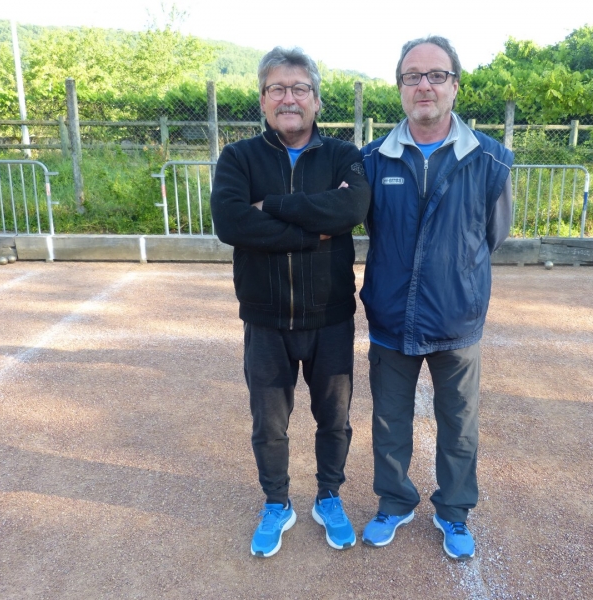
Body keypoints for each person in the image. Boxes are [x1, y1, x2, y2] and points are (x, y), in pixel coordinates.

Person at [210, 46, 370, 558]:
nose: (289, 98)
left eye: (300, 88)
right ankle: (277, 503)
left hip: (331, 319)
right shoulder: (239, 158)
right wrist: (314, 230)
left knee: (335, 419)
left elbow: (351, 208)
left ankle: (328, 497)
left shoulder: (344, 155)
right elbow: (231, 223)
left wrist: (273, 208)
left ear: (317, 101)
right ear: (262, 100)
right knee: (269, 424)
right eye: (277, 88)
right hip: (266, 320)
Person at [359, 36, 513, 561]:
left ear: (455, 85)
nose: (424, 85)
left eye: (436, 75)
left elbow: (491, 236)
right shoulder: (372, 159)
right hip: (390, 318)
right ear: (400, 87)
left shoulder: (491, 160)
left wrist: (455, 280)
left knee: (459, 428)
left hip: (456, 320)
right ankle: (394, 502)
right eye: (412, 76)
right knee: (389, 424)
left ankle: (454, 511)